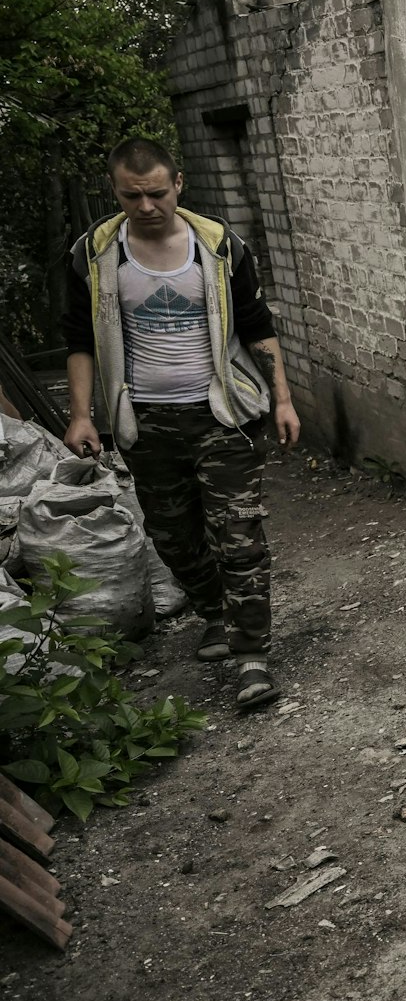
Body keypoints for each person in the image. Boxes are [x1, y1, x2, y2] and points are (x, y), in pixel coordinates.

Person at [61, 137, 299, 709]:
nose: (145, 206)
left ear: (178, 184)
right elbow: (78, 339)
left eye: (156, 193)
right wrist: (80, 416)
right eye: (131, 195)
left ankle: (252, 658)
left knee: (239, 536)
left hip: (223, 413)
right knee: (174, 536)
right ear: (115, 191)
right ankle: (215, 613)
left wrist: (283, 400)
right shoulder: (94, 255)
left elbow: (258, 328)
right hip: (142, 420)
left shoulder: (218, 247)